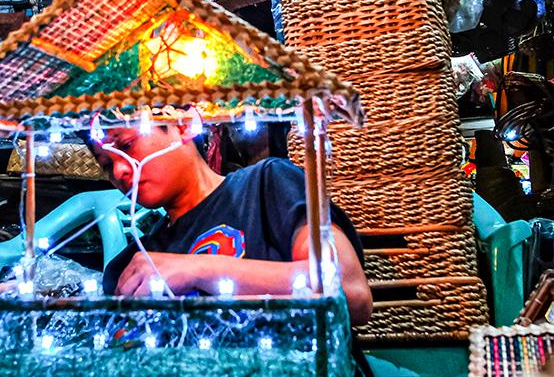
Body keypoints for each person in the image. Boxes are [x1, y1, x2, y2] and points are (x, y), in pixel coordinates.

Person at [86, 121, 373, 326]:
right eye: (107, 165)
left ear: (184, 123)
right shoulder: (130, 268)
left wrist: (197, 269)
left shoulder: (266, 185)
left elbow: (349, 292)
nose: (120, 171)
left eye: (125, 146)